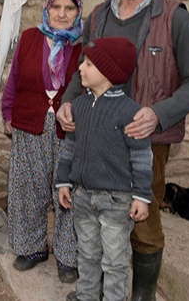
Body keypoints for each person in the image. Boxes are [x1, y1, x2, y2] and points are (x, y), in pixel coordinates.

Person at [56, 0, 189, 301]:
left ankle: (141, 296)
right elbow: (84, 70)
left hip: (145, 138)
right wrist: (67, 102)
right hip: (96, 133)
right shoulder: (99, 16)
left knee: (143, 217)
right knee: (92, 219)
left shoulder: (175, 17)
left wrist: (157, 114)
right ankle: (93, 291)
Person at [55, 36, 153, 301]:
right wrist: (63, 181)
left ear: (108, 73)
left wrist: (142, 196)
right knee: (86, 256)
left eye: (88, 64)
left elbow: (142, 156)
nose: (80, 69)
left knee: (114, 262)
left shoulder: (130, 112)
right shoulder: (79, 106)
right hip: (83, 197)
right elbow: (69, 147)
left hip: (116, 202)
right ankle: (86, 297)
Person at [1, 0, 83, 282]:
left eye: (69, 8)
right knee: (27, 187)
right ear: (47, 9)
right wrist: (7, 112)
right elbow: (15, 79)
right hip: (30, 121)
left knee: (67, 191)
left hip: (68, 128)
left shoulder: (83, 45)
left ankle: (67, 255)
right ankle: (32, 248)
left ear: (77, 13)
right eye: (56, 7)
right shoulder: (30, 38)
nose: (61, 14)